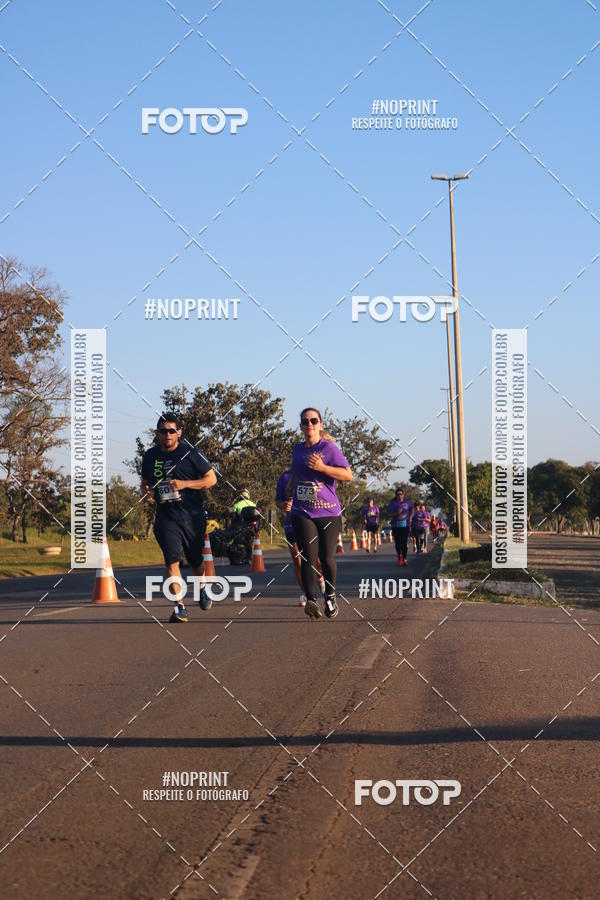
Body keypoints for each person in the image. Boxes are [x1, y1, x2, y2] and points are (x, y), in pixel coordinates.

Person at [141, 413, 217, 623]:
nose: (167, 435)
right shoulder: (150, 456)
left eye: (171, 431)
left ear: (179, 432)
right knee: (171, 561)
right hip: (166, 516)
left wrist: (185, 484)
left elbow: (211, 479)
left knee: (195, 560)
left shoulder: (191, 453)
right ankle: (180, 608)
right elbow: (145, 481)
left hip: (192, 516)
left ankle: (202, 586)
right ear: (157, 433)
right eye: (163, 431)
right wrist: (146, 491)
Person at [287, 408, 353, 620]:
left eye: (314, 420)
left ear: (320, 424)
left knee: (325, 557)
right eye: (305, 421)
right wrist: (290, 486)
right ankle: (311, 600)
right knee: (307, 555)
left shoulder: (329, 449)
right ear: (301, 426)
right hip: (302, 511)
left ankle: (330, 596)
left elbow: (347, 475)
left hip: (328, 512)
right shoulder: (297, 449)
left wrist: (323, 468)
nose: (310, 424)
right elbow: (295, 471)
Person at [276, 468, 325, 606]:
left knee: (315, 559)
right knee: (297, 559)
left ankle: (321, 578)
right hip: (291, 523)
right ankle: (306, 593)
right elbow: (278, 500)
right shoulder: (284, 476)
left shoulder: (311, 475)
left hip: (309, 522)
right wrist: (284, 505)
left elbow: (319, 499)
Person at [388, 488, 414, 566]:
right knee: (398, 543)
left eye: (401, 494)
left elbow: (412, 509)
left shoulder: (407, 502)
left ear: (403, 494)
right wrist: (397, 513)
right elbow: (390, 514)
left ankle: (405, 558)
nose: (399, 495)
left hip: (405, 525)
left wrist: (410, 517)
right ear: (396, 495)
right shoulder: (393, 503)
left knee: (404, 542)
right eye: (398, 494)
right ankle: (399, 555)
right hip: (396, 525)